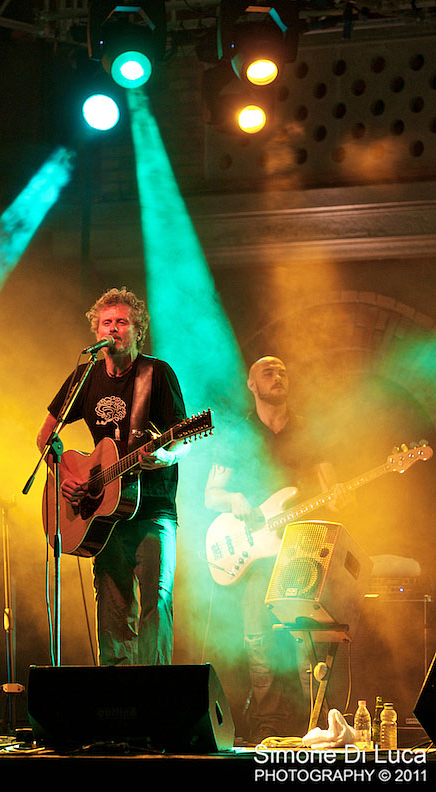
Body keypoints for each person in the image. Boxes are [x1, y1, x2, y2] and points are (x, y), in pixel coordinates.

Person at [37, 287, 189, 666]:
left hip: (152, 510)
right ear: (97, 331)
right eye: (106, 322)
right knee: (112, 613)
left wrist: (165, 457)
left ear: (138, 331)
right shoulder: (85, 375)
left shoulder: (156, 374)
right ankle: (117, 697)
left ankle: (156, 693)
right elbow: (46, 437)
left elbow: (183, 439)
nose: (113, 328)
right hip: (105, 517)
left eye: (122, 322)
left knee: (156, 603)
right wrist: (65, 475)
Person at [205, 355, 347, 743]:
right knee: (258, 641)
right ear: (252, 385)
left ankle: (317, 726)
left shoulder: (307, 431)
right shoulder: (239, 434)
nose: (278, 375)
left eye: (283, 371)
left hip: (302, 550)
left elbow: (333, 492)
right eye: (267, 372)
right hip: (257, 554)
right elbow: (211, 494)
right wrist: (233, 498)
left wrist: (339, 496)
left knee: (306, 639)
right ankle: (267, 723)